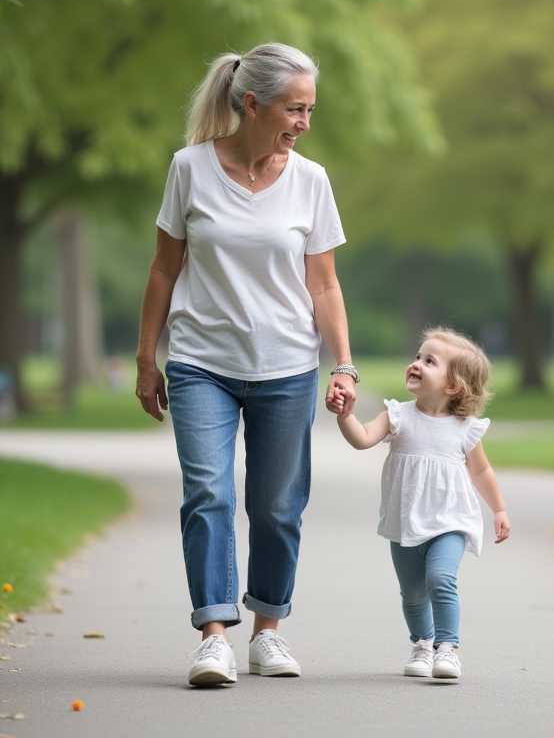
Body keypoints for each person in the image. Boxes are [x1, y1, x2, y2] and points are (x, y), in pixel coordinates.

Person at [134, 43, 357, 687]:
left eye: (311, 110)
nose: (304, 123)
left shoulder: (311, 180)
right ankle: (213, 636)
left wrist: (343, 364)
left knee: (278, 504)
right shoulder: (189, 169)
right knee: (209, 493)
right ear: (252, 104)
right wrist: (147, 357)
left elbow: (325, 287)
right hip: (201, 362)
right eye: (295, 108)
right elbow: (163, 268)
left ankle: (268, 631)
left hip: (287, 365)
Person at [336, 327, 510, 681]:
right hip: (405, 522)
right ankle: (422, 643)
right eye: (417, 356)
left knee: (440, 578)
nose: (416, 364)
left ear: (453, 386)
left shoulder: (465, 429)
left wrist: (499, 509)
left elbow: (481, 472)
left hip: (450, 521)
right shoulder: (398, 415)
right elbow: (362, 439)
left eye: (429, 361)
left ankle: (448, 648)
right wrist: (345, 416)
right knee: (413, 593)